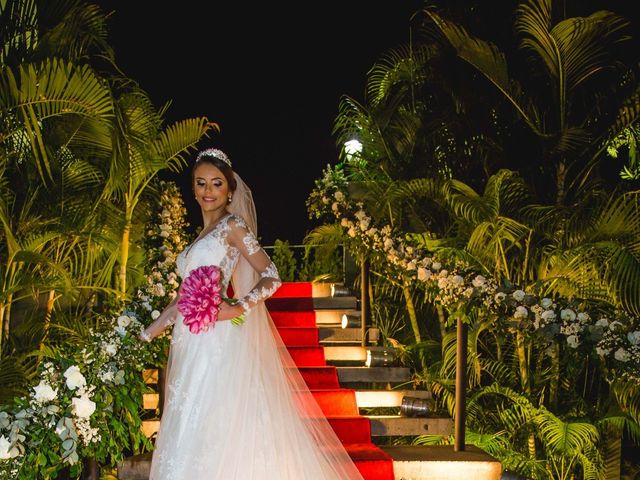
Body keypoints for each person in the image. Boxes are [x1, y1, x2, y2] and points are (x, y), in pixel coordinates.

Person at [139, 148, 364, 479]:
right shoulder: (199, 237)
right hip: (188, 342)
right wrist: (145, 333)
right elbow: (183, 297)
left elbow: (271, 275)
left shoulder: (232, 225)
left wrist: (236, 307)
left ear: (230, 190)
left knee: (216, 424)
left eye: (216, 184)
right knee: (189, 422)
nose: (207, 191)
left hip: (216, 342)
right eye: (200, 183)